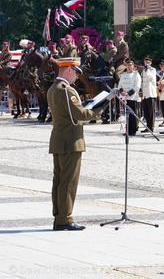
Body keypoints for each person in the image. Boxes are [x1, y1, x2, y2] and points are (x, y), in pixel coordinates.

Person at [48, 57, 106, 231]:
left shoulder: (53, 88)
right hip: (70, 141)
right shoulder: (66, 90)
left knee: (59, 181)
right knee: (68, 181)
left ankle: (59, 216)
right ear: (68, 70)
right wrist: (99, 109)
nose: (77, 77)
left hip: (59, 140)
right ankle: (65, 219)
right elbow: (78, 114)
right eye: (76, 72)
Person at [118, 60, 141, 136]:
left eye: (131, 65)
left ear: (133, 66)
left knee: (132, 114)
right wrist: (121, 92)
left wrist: (128, 93)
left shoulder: (136, 74)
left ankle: (133, 130)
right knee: (126, 114)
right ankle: (128, 130)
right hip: (125, 98)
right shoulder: (123, 75)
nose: (129, 66)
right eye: (128, 65)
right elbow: (120, 86)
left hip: (133, 97)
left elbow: (137, 86)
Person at [140, 56, 157, 133]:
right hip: (145, 93)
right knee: (146, 111)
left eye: (148, 62)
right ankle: (148, 126)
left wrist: (147, 70)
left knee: (151, 111)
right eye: (146, 62)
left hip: (151, 92)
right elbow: (142, 82)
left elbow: (151, 78)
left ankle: (152, 127)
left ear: (151, 63)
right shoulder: (143, 70)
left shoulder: (152, 70)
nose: (147, 63)